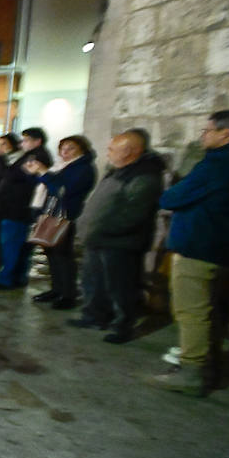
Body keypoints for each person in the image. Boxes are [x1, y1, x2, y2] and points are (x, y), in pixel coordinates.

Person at [149, 109, 229, 394]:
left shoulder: (218, 164)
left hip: (199, 247)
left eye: (207, 130)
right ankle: (210, 366)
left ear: (226, 133)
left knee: (192, 312)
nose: (203, 135)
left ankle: (191, 372)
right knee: (215, 310)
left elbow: (171, 197)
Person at [69, 130, 164, 343]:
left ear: (130, 151)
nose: (108, 152)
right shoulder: (117, 170)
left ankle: (123, 326)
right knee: (93, 282)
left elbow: (134, 214)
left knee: (121, 287)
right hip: (99, 239)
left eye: (113, 149)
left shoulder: (144, 177)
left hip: (120, 243)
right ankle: (94, 316)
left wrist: (102, 228)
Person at [23, 136, 97, 309]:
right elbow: (46, 185)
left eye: (70, 148)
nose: (65, 152)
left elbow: (62, 189)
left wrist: (43, 172)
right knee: (51, 252)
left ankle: (68, 294)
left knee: (63, 255)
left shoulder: (83, 168)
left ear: (82, 149)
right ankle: (56, 289)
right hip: (49, 212)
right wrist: (34, 173)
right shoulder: (61, 166)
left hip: (64, 214)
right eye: (62, 148)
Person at [0, 127, 53, 290]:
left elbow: (13, 176)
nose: (23, 143)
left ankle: (6, 279)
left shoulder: (36, 157)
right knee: (19, 246)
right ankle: (18, 277)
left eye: (26, 140)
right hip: (17, 208)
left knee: (11, 246)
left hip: (16, 208)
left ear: (37, 141)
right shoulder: (33, 156)